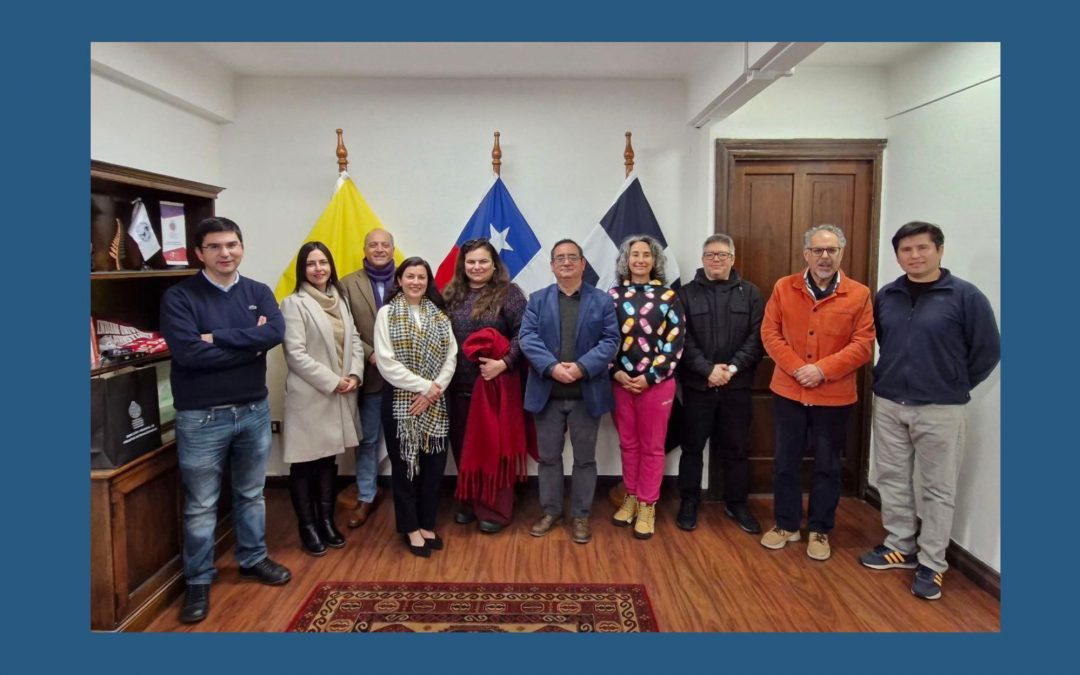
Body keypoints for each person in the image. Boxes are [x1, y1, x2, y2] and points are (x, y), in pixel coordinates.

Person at [160, 217, 291, 625]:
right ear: (199, 253)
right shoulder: (179, 297)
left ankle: (252, 558)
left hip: (252, 410)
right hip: (202, 418)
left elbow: (275, 333)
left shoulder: (258, 291)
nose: (225, 253)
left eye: (232, 244)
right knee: (201, 505)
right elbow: (187, 355)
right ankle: (199, 579)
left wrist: (215, 337)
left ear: (242, 247)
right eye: (215, 247)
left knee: (252, 493)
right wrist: (247, 344)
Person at [859, 221, 1000, 600]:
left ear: (939, 250)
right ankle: (900, 545)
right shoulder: (887, 295)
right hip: (889, 403)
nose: (915, 256)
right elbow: (886, 343)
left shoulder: (965, 297)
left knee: (938, 489)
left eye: (922, 248)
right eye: (906, 250)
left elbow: (987, 351)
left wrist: (951, 384)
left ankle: (932, 562)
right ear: (898, 255)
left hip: (941, 409)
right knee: (892, 478)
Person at [759, 224, 875, 561]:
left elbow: (863, 344)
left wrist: (822, 370)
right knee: (785, 463)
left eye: (832, 250)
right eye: (818, 250)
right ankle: (786, 524)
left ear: (842, 253)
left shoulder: (860, 294)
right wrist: (798, 368)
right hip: (789, 392)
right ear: (805, 253)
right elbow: (770, 333)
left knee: (827, 466)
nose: (825, 257)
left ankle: (821, 529)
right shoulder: (784, 288)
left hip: (834, 396)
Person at [520, 239, 620, 545]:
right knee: (549, 459)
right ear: (551, 265)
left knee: (585, 460)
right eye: (559, 258)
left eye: (572, 258)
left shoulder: (602, 301)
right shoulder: (536, 300)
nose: (566, 262)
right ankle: (551, 511)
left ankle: (580, 515)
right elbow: (527, 338)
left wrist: (580, 367)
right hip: (547, 394)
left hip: (585, 394)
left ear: (582, 264)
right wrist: (552, 367)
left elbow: (610, 340)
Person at [675, 233, 765, 534]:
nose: (716, 259)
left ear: (732, 259)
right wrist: (707, 370)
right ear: (702, 260)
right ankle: (688, 501)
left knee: (737, 449)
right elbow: (682, 340)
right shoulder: (685, 295)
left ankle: (736, 503)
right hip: (699, 387)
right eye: (711, 254)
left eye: (722, 254)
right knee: (692, 448)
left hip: (736, 387)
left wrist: (732, 368)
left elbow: (757, 338)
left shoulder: (750, 294)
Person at [280, 242, 364, 556]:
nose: (318, 269)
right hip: (312, 397)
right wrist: (333, 381)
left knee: (329, 461)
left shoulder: (340, 298)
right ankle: (308, 527)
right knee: (304, 465)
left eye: (323, 263)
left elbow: (354, 339)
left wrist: (354, 375)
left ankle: (327, 522)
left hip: (340, 393)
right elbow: (295, 354)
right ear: (303, 269)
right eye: (311, 264)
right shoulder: (293, 304)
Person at [442, 239, 531, 534]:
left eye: (483, 261)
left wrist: (504, 363)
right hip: (458, 387)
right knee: (464, 447)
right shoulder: (452, 294)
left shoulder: (510, 294)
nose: (476, 267)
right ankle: (469, 500)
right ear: (463, 266)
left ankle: (496, 507)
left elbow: (526, 334)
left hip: (496, 388)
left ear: (494, 265)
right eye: (471, 262)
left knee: (492, 448)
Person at [373, 257, 457, 558]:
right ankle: (409, 527)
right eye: (410, 276)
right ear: (399, 280)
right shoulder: (387, 314)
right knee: (406, 468)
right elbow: (386, 362)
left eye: (422, 277)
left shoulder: (439, 315)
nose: (416, 282)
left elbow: (451, 357)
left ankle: (426, 523)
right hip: (401, 404)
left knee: (433, 468)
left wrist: (433, 392)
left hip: (435, 403)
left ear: (428, 281)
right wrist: (424, 388)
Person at [607, 235, 684, 539]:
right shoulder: (611, 296)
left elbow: (674, 342)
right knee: (628, 443)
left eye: (645, 255)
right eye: (634, 254)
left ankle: (648, 503)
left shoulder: (668, 297)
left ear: (655, 261)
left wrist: (651, 376)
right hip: (620, 382)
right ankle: (630, 496)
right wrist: (615, 372)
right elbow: (605, 338)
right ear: (625, 260)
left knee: (653, 447)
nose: (639, 260)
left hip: (657, 384)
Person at [339, 228, 396, 527]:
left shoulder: (409, 278)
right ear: (364, 248)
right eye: (373, 245)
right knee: (368, 440)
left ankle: (408, 494)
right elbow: (345, 329)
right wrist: (371, 353)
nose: (379, 249)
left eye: (384, 245)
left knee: (408, 439)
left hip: (406, 378)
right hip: (371, 376)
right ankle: (366, 495)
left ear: (392, 249)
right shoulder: (348, 284)